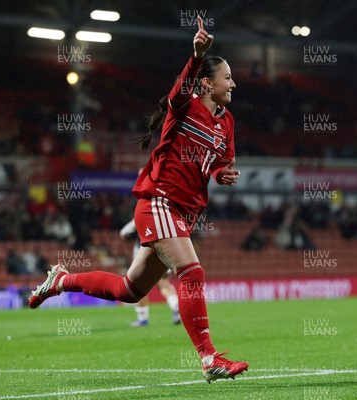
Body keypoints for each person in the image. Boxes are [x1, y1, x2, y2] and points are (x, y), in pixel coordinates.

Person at [29, 16, 248, 383]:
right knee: (192, 272)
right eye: (228, 77)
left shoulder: (226, 122)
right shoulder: (185, 105)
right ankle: (209, 357)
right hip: (159, 201)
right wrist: (195, 56)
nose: (234, 83)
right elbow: (180, 86)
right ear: (208, 83)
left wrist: (219, 174)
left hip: (187, 212)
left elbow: (222, 161)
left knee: (130, 290)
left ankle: (61, 281)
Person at [119, 218, 180, 327]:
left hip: (145, 259)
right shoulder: (165, 217)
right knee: (164, 285)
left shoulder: (142, 216)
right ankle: (175, 305)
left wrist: (134, 232)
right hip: (164, 255)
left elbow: (124, 232)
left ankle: (142, 319)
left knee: (138, 287)